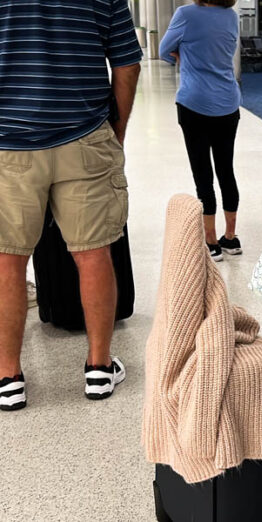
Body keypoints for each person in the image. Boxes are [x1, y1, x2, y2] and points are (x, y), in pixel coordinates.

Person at [0, 0, 141, 411]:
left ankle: (8, 377)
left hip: (8, 142)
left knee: (7, 260)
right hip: (84, 135)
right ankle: (99, 368)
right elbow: (127, 64)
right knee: (93, 253)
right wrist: (115, 133)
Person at [159, 0, 243, 261]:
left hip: (195, 103)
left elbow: (164, 50)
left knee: (203, 174)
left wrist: (185, 57)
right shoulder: (231, 16)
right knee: (226, 170)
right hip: (228, 102)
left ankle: (211, 242)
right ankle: (231, 238)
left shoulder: (186, 14)